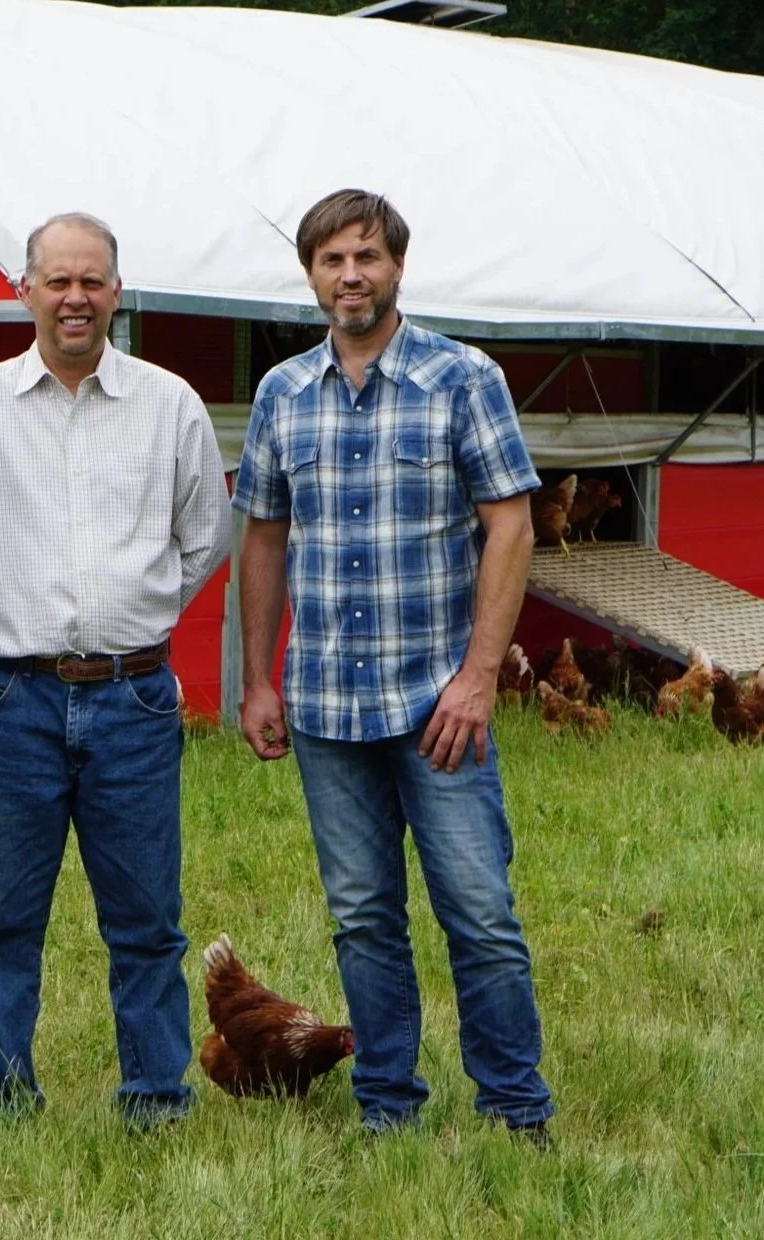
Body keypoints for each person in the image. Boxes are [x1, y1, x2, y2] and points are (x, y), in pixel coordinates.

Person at [233, 189, 554, 1142]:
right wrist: (257, 677)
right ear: (311, 276)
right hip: (328, 704)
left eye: (366, 256)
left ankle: (512, 1106)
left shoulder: (463, 377)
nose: (350, 276)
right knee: (364, 918)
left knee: (479, 912)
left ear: (397, 265)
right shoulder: (282, 394)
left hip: (437, 705)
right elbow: (262, 536)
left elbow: (512, 526)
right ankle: (387, 1104)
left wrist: (480, 676)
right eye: (331, 261)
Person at [0, 212, 231, 1126]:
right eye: (57, 281)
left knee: (145, 919)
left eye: (92, 281)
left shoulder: (169, 405)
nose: (75, 298)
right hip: (12, 692)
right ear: (25, 291)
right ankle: (3, 1090)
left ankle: (154, 1096)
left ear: (117, 293)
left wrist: (131, 604)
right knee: (3, 917)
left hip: (133, 692)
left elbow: (202, 536)